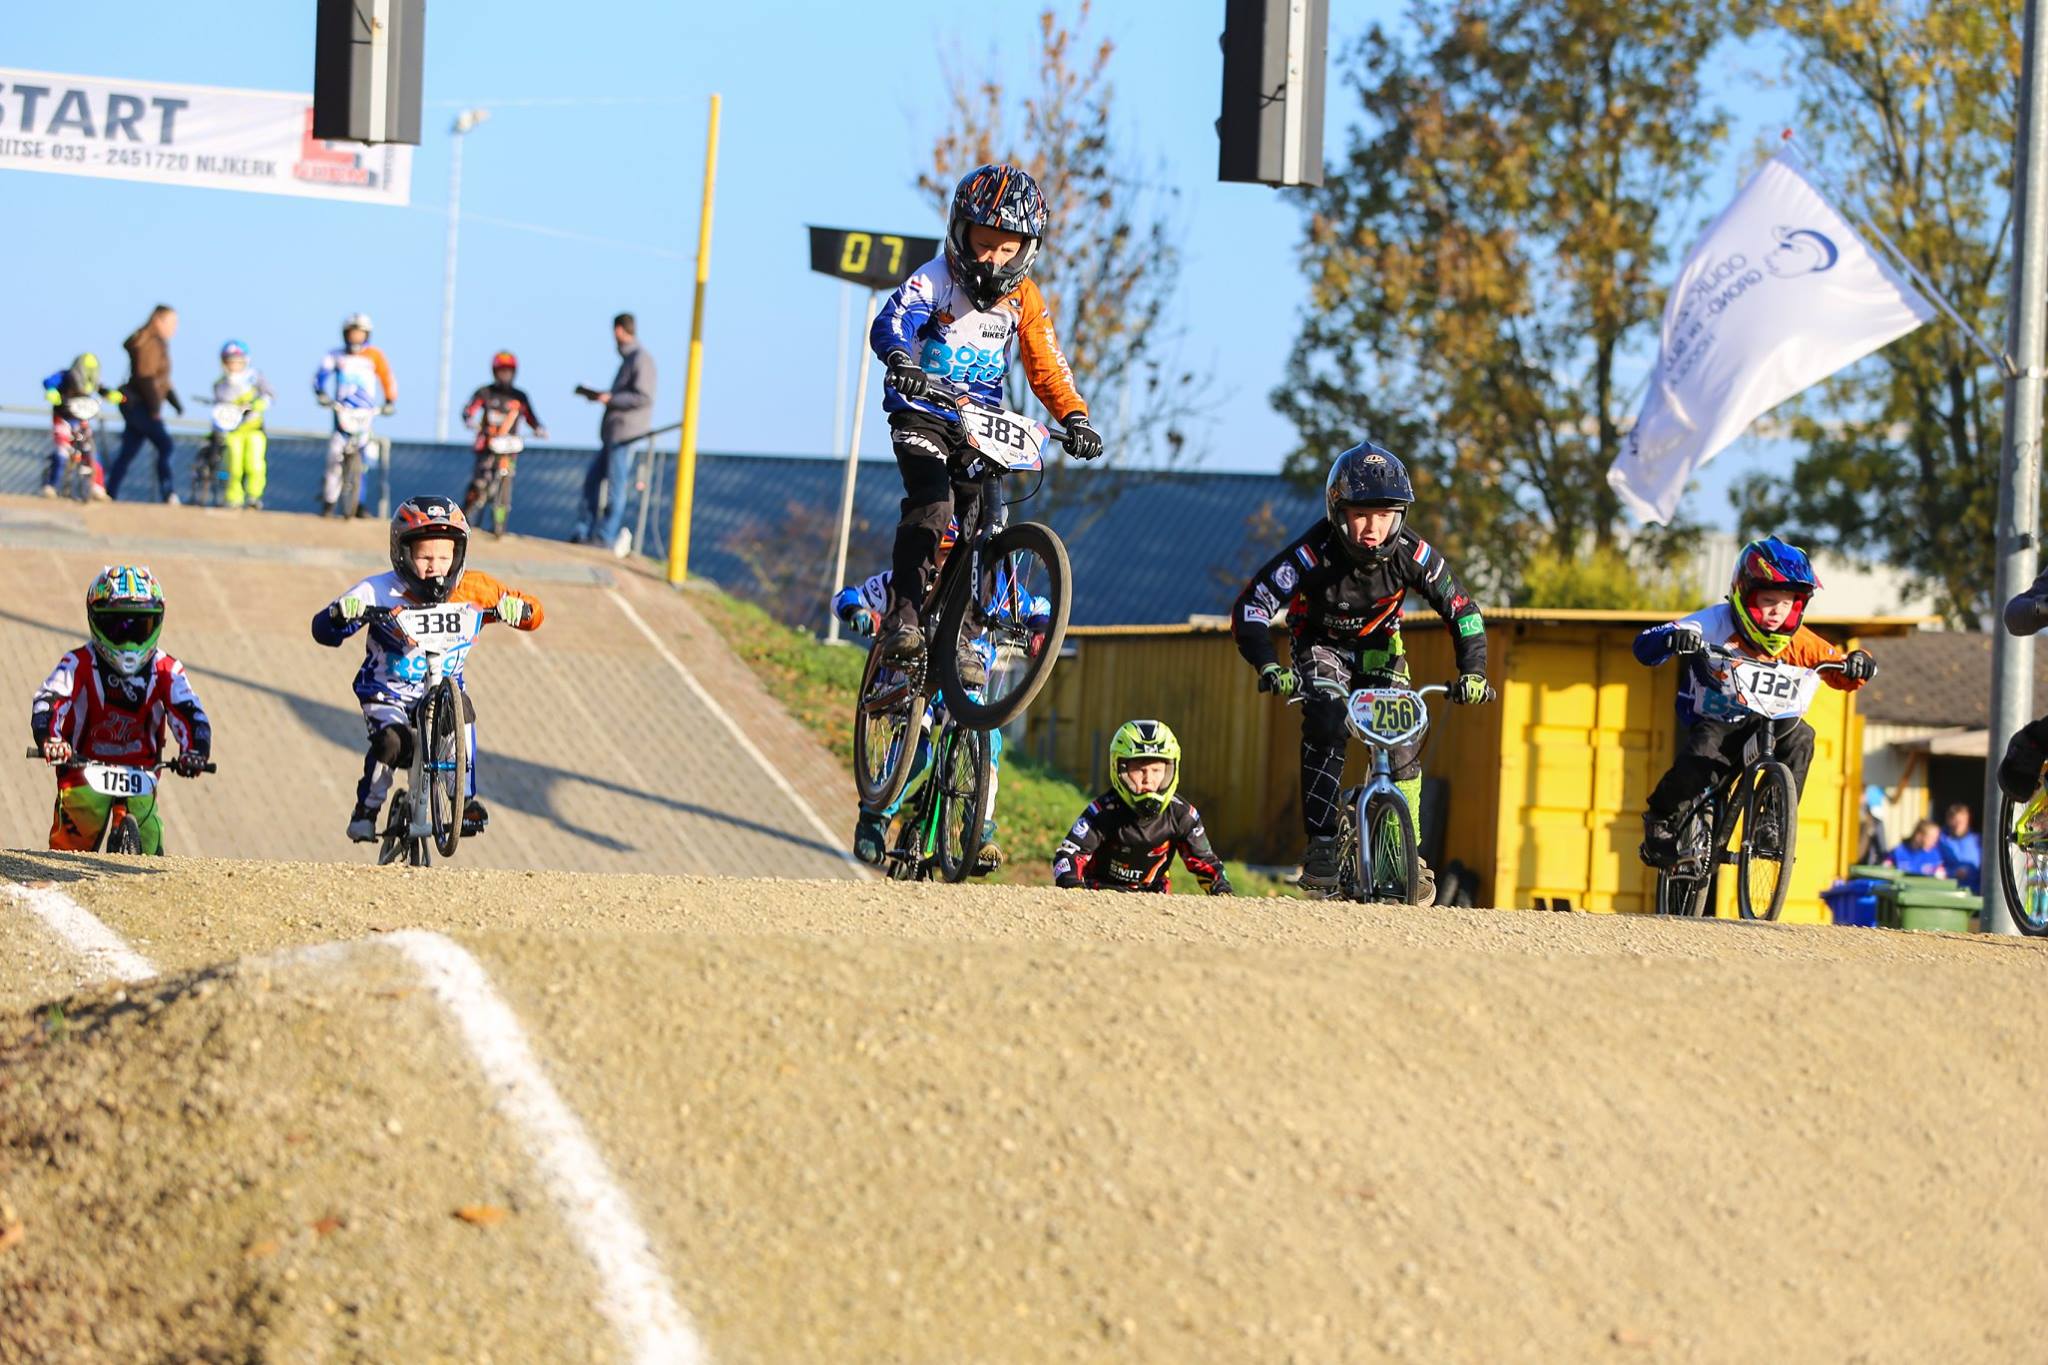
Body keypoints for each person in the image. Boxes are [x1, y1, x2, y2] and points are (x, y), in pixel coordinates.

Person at [1232, 441, 1489, 901]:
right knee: (1327, 717)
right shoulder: (1310, 554)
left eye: (1386, 514)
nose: (1373, 528)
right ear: (1337, 511)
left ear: (1401, 515)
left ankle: (1406, 849)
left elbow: (1463, 611)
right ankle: (1323, 844)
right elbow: (1252, 606)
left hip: (1380, 650)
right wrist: (1268, 664)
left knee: (1405, 737)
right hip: (1319, 644)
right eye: (1360, 514)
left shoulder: (1415, 554)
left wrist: (1474, 672)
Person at [870, 163, 1103, 662]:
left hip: (980, 425)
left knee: (986, 524)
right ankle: (902, 618)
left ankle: (965, 639)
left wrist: (1075, 418)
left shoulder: (1025, 299)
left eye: (1007, 248)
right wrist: (900, 359)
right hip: (923, 411)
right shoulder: (935, 279)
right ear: (959, 231)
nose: (992, 258)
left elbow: (1047, 364)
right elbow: (892, 319)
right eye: (982, 242)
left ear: (1027, 251)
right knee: (934, 506)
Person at [1634, 536, 1877, 868]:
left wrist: (1858, 663)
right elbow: (1645, 646)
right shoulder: (1714, 623)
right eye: (1768, 599)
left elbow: (1842, 669)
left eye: (1789, 603)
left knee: (1802, 737)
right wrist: (1671, 638)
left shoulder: (1799, 640)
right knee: (1703, 756)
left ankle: (1771, 822)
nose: (1778, 611)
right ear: (1744, 594)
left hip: (1771, 721)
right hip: (1716, 716)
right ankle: (1660, 819)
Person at [311, 496, 543, 843]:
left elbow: (534, 613)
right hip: (387, 691)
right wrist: (342, 613)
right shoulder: (379, 589)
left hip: (441, 691)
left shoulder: (474, 588)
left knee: (461, 714)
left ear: (459, 556)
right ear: (402, 554)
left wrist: (517, 609)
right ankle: (367, 809)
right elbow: (324, 631)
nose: (436, 567)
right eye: (424, 557)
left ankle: (463, 800)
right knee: (390, 743)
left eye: (445, 557)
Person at [834, 519, 1028, 875]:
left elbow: (1036, 607)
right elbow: (848, 596)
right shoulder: (902, 582)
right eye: (941, 554)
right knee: (919, 753)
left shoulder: (988, 585)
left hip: (964, 684)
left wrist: (1041, 630)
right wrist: (858, 613)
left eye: (954, 555)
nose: (946, 563)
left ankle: (978, 828)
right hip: (911, 683)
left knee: (987, 739)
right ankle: (875, 818)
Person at [30, 565, 211, 853]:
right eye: (116, 626)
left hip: (143, 771)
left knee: (150, 839)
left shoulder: (167, 669)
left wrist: (195, 751)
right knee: (72, 837)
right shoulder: (76, 663)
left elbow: (190, 712)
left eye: (140, 627)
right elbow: (49, 699)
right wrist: (51, 738)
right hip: (82, 767)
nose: (128, 641)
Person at [1051, 720, 1233, 894]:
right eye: (1139, 770)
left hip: (1154, 899)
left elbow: (1206, 862)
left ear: (1171, 770)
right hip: (1099, 893)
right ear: (1120, 769)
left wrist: (1222, 891)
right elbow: (1068, 855)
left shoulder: (1182, 814)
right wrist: (1074, 888)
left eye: (1156, 770)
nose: (1148, 779)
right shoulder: (1103, 811)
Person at [574, 313, 656, 556]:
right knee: (592, 480)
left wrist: (610, 399)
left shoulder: (641, 359)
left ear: (619, 330)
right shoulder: (630, 359)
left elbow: (643, 397)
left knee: (615, 488)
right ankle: (585, 532)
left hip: (625, 435)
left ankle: (605, 537)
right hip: (613, 435)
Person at [313, 313, 397, 517]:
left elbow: (387, 378)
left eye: (359, 333)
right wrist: (321, 393)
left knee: (364, 458)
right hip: (342, 411)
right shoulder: (336, 355)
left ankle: (358, 503)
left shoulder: (375, 356)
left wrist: (390, 401)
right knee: (335, 455)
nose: (356, 337)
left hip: (365, 413)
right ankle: (329, 501)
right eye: (352, 333)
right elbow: (320, 377)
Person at [462, 350, 548, 529]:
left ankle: (499, 521)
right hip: (487, 445)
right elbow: (469, 410)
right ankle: (466, 513)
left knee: (508, 475)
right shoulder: (485, 392)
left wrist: (539, 429)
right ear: (494, 371)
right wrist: (470, 420)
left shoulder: (520, 396)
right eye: (502, 370)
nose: (505, 374)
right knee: (479, 482)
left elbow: (532, 418)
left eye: (508, 371)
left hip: (509, 448)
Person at [106, 305, 183, 503]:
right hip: (140, 405)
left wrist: (175, 403)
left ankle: (109, 492)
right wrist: (155, 408)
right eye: (172, 323)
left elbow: (162, 381)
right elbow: (146, 377)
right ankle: (168, 492)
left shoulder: (157, 343)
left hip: (138, 405)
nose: (175, 328)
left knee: (128, 451)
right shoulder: (151, 343)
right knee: (166, 446)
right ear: (158, 321)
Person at [39, 352, 121, 499]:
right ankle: (50, 486)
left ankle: (97, 487)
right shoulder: (65, 376)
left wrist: (112, 395)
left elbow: (102, 389)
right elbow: (49, 382)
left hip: (82, 418)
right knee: (62, 452)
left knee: (90, 452)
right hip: (63, 417)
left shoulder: (92, 382)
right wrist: (52, 392)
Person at [210, 340, 275, 510]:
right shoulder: (220, 384)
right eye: (230, 362)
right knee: (234, 466)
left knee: (255, 464)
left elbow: (269, 395)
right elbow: (218, 408)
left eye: (237, 362)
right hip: (233, 432)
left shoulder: (255, 377)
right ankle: (234, 498)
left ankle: (254, 496)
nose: (233, 366)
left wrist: (258, 404)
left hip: (254, 429)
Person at [1937, 802, 1981, 893]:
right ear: (1949, 820)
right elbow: (1933, 867)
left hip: (1975, 892)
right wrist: (1953, 873)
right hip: (1948, 891)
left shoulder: (1978, 841)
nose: (1958, 825)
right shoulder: (1939, 841)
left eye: (1962, 821)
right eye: (1955, 821)